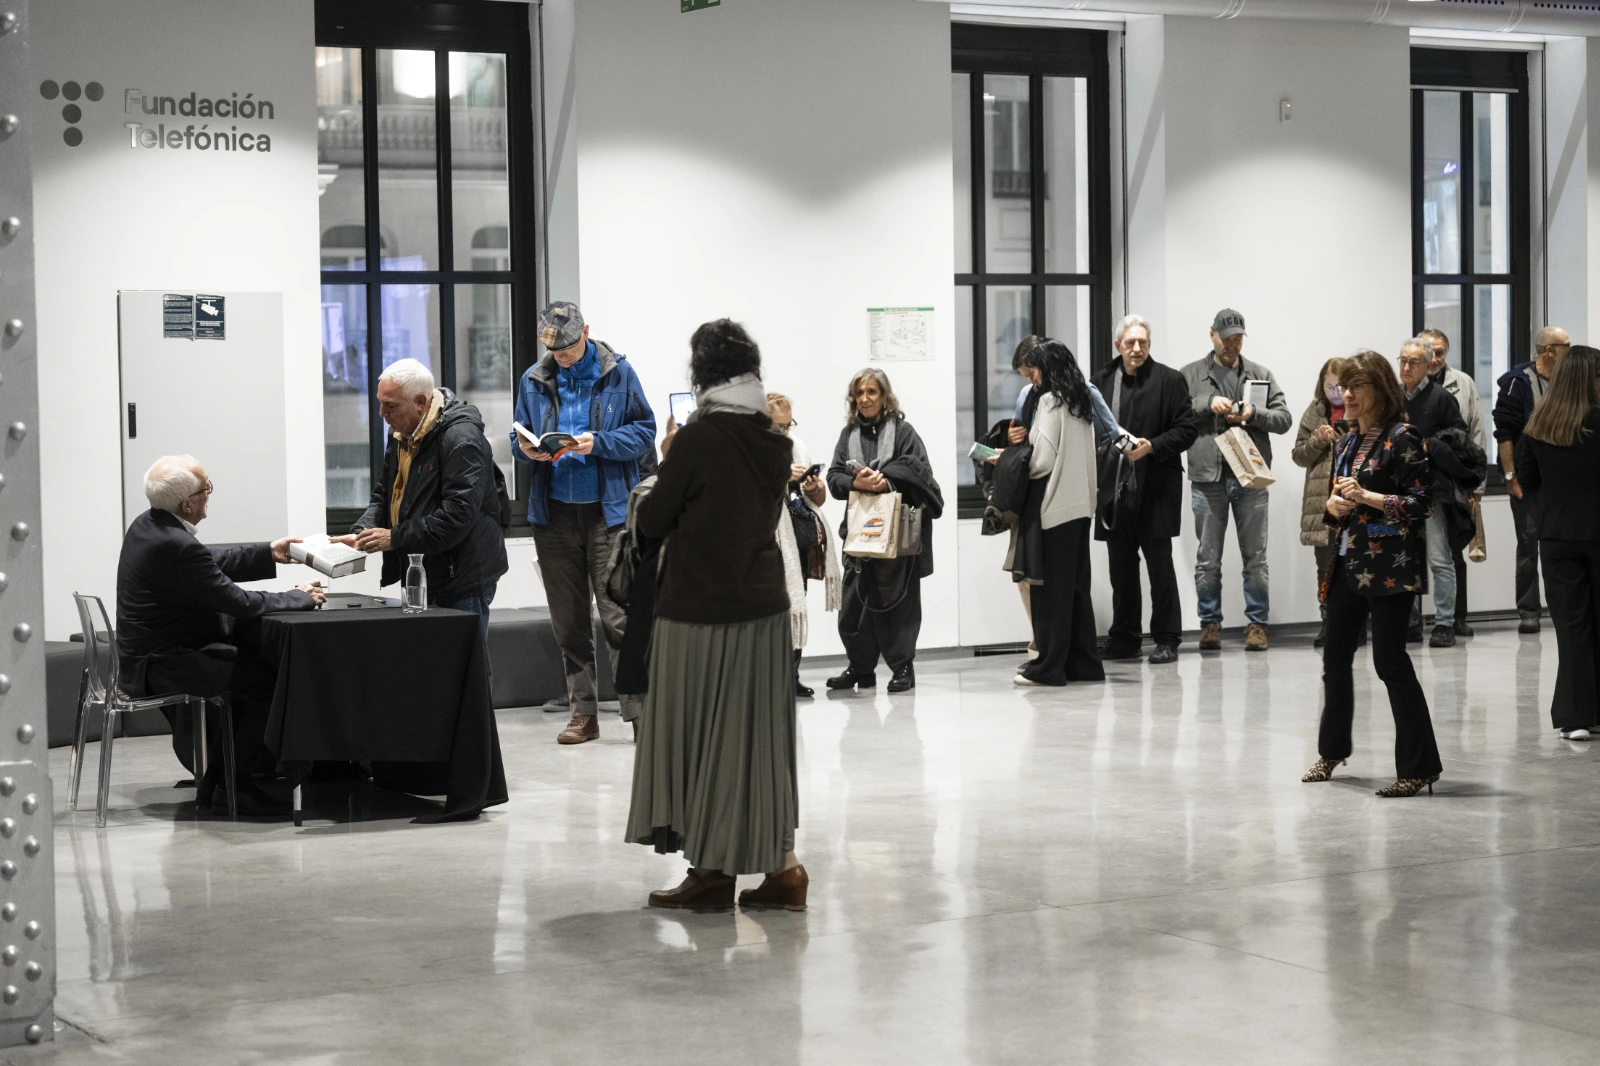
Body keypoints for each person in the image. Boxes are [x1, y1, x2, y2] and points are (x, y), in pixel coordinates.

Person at [626, 319, 806, 911]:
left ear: (700, 374)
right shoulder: (774, 442)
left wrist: (667, 459)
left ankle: (711, 875)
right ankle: (783, 871)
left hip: (697, 611)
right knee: (757, 746)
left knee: (701, 741)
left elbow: (653, 524)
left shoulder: (699, 440)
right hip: (764, 611)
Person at [117, 455, 325, 816]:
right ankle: (235, 783)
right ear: (187, 503)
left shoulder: (147, 525)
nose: (209, 495)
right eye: (206, 488)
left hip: (149, 657)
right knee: (271, 683)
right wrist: (299, 597)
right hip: (165, 663)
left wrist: (268, 553)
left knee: (251, 675)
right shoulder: (176, 545)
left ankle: (218, 783)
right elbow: (237, 601)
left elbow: (206, 562)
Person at [511, 302, 656, 744]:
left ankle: (640, 715)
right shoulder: (533, 379)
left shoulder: (619, 374)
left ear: (586, 333)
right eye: (555, 351)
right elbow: (519, 439)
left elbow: (645, 432)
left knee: (618, 618)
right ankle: (583, 714)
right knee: (569, 622)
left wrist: (599, 443)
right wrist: (528, 451)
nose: (563, 357)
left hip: (607, 515)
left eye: (570, 348)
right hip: (553, 515)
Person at [1302, 351, 1443, 798]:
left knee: (1390, 662)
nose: (1348, 395)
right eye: (1344, 387)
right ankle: (1332, 751)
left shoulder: (1403, 437)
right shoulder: (1343, 441)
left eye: (1357, 386)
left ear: (1379, 389)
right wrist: (1332, 508)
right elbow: (1338, 506)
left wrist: (1368, 497)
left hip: (1390, 569)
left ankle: (1419, 767)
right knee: (1334, 660)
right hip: (1347, 563)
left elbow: (1422, 505)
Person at [343, 358, 509, 646]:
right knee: (429, 668)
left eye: (390, 405)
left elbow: (457, 517)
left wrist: (394, 537)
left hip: (460, 574)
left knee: (464, 673)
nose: (382, 413)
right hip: (420, 566)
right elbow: (386, 493)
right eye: (380, 403)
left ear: (420, 402)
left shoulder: (462, 439)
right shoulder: (401, 433)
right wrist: (363, 531)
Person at [825, 368, 943, 693]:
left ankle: (902, 667)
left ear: (884, 397)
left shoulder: (904, 432)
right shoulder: (847, 436)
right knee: (854, 606)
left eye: (872, 392)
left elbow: (922, 475)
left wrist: (888, 479)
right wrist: (855, 482)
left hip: (896, 536)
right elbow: (833, 479)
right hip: (858, 534)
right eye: (859, 393)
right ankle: (861, 668)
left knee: (899, 604)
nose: (865, 399)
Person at [1180, 308, 1292, 651]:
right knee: (1207, 558)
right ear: (1212, 335)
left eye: (1238, 338)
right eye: (1226, 337)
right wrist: (1207, 403)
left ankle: (1257, 625)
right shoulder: (1190, 374)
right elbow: (1178, 413)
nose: (1232, 344)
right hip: (1208, 476)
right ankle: (1209, 625)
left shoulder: (1261, 373)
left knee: (1255, 557)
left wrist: (1253, 414)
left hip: (1250, 476)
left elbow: (1284, 418)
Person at [1090, 315, 1198, 665]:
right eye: (1130, 342)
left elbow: (1187, 430)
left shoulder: (1170, 380)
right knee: (1120, 570)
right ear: (1118, 345)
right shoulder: (1101, 381)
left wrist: (1151, 446)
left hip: (1156, 489)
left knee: (1160, 569)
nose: (1137, 349)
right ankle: (1125, 639)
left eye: (1143, 343)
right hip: (1115, 491)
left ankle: (1167, 639)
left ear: (1149, 345)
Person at [1516, 344, 1600, 741]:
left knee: (1571, 628)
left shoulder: (1538, 426)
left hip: (1556, 537)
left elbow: (1527, 481)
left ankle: (1575, 716)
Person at [1010, 340, 1105, 687]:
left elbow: (1042, 461)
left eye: (1033, 370)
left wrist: (1012, 458)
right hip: (1081, 507)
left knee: (1050, 593)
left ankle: (1047, 668)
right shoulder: (1081, 401)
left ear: (1045, 367)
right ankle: (1085, 666)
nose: (1031, 378)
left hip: (1054, 508)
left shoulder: (1050, 402)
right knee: (1077, 591)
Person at [1495, 325, 1570, 633]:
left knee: (1563, 543)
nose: (1570, 348)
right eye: (1566, 344)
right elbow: (1505, 434)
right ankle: (1529, 611)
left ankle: (1565, 606)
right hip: (1527, 479)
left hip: (1563, 480)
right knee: (1528, 544)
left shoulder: (1569, 382)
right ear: (1548, 351)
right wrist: (1511, 477)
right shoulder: (1517, 383)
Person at [1395, 337, 1467, 646]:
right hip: (1399, 490)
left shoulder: (1441, 398)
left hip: (1434, 489)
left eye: (1413, 362)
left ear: (1427, 366)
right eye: (1402, 360)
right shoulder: (1392, 399)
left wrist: (1430, 443)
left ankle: (1443, 624)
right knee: (1405, 557)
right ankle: (1410, 622)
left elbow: (1460, 435)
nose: (1406, 367)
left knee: (1439, 559)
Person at [768, 392, 840, 698]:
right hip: (769, 541)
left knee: (797, 604)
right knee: (773, 612)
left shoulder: (797, 446)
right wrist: (782, 478)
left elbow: (817, 501)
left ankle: (791, 674)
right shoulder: (752, 449)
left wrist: (813, 485)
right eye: (778, 427)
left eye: (788, 425)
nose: (785, 433)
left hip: (796, 538)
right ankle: (770, 678)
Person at [1421, 328, 1486, 637]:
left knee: (1453, 549)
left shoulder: (1463, 383)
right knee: (1422, 554)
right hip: (1417, 482)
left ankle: (1455, 618)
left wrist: (1478, 483)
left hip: (1454, 478)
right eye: (1429, 351)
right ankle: (1415, 621)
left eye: (1440, 352)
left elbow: (1475, 432)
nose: (1435, 358)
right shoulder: (1405, 388)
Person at [1291, 357, 1349, 649]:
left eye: (1341, 386)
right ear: (1322, 384)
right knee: (1325, 568)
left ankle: (1355, 624)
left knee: (1354, 563)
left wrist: (1347, 438)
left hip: (1352, 500)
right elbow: (1298, 455)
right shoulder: (1314, 412)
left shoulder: (1361, 407)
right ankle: (1328, 623)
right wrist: (1316, 441)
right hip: (1321, 502)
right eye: (1330, 386)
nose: (1336, 392)